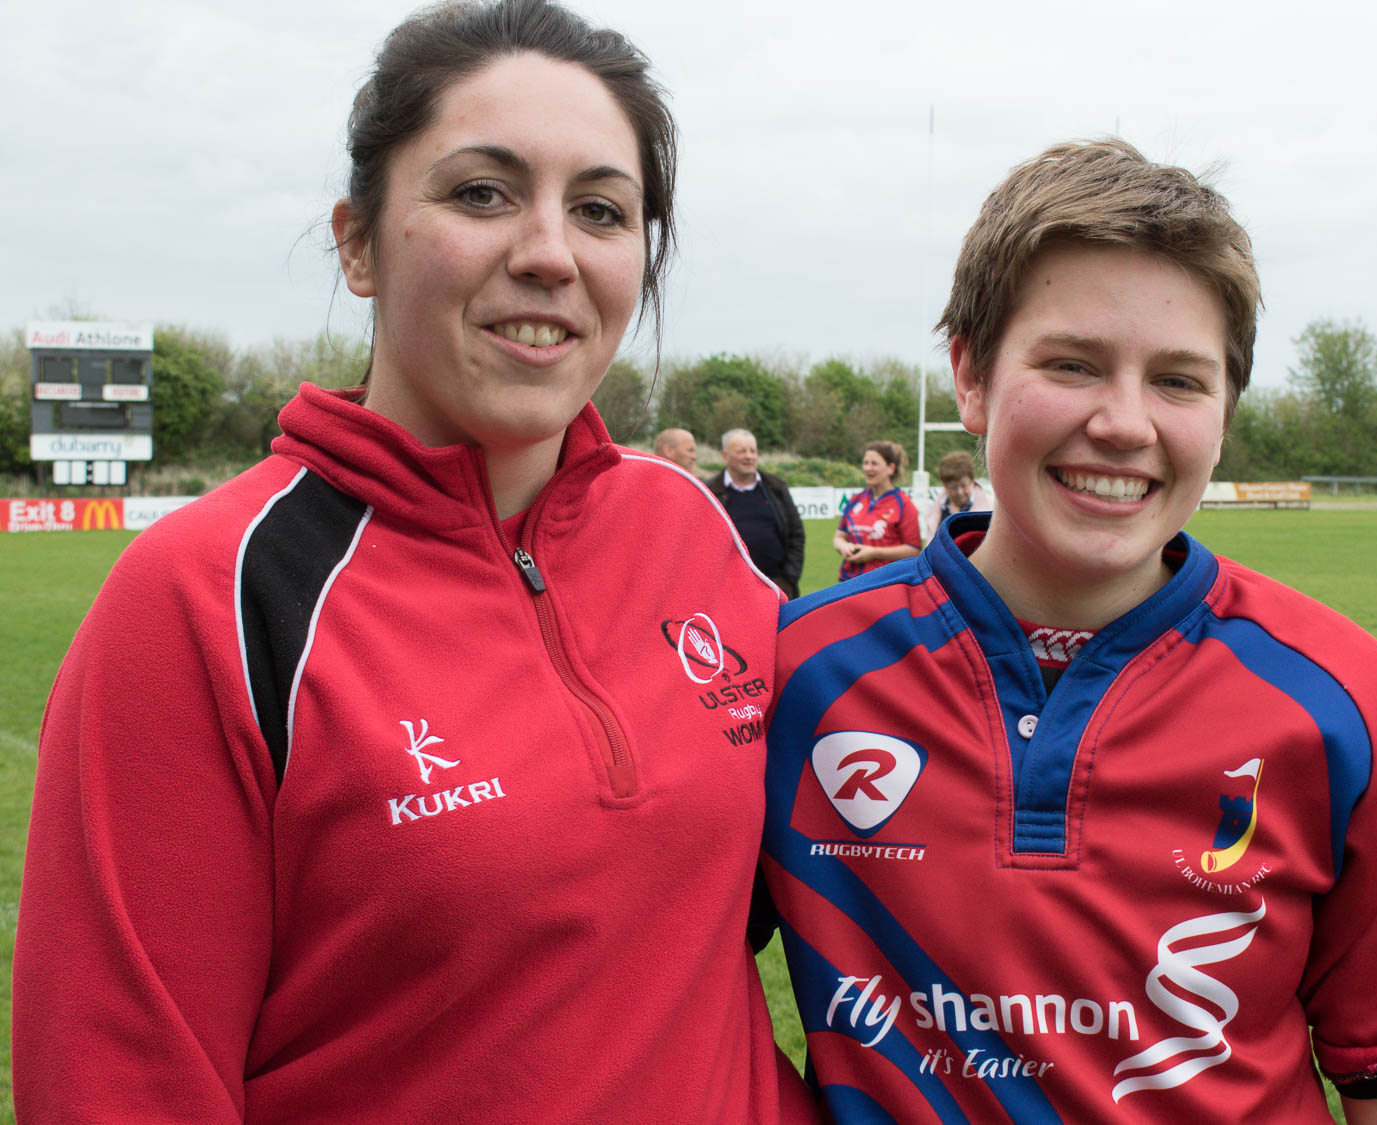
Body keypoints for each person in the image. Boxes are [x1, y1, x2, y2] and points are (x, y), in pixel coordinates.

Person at [12, 4, 818, 1122]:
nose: (547, 253)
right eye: (480, 193)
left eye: (600, 209)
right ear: (356, 243)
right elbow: (119, 1083)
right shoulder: (214, 598)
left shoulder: (694, 532)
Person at [761, 139, 1377, 1123]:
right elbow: (651, 1005)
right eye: (1073, 364)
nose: (1126, 423)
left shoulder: (1344, 705)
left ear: (1225, 411)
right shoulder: (796, 675)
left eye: (1179, 381)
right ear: (970, 376)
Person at [705, 427, 806, 597]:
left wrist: (788, 578)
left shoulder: (775, 487)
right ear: (725, 455)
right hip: (728, 591)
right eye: (741, 451)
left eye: (753, 451)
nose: (749, 456)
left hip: (776, 587)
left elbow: (796, 534)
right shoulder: (710, 491)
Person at [832, 439, 920, 580]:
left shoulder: (904, 504)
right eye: (865, 463)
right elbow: (839, 537)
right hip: (849, 581)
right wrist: (843, 547)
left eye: (874, 463)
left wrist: (874, 553)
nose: (868, 468)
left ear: (890, 468)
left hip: (884, 583)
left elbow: (913, 550)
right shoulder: (856, 500)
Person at [919, 448, 992, 543]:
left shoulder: (991, 508)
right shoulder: (935, 512)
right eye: (953, 488)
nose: (959, 492)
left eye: (964, 485)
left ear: (972, 480)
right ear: (944, 485)